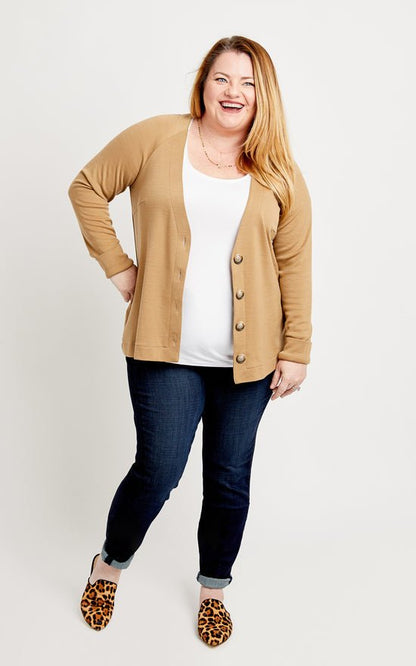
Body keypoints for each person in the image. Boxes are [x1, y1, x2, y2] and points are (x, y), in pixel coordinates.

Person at [68, 34, 312, 647]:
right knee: (158, 470)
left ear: (264, 95)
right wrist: (120, 268)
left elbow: (294, 265)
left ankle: (213, 589)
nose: (234, 92)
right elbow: (87, 187)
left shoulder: (279, 172)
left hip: (249, 364)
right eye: (222, 78)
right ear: (203, 83)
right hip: (163, 353)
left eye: (248, 83)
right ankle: (108, 565)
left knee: (229, 479)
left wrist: (296, 349)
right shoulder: (156, 138)